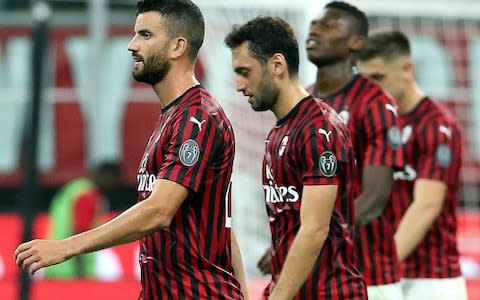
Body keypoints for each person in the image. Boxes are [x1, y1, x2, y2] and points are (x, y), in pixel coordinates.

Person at [15, 1, 248, 299]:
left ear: (178, 46)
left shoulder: (197, 119)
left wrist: (66, 246)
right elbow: (223, 228)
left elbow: (159, 211)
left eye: (146, 35)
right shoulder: (173, 118)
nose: (132, 45)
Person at [257, 2, 407, 299]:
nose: (315, 30)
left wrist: (306, 240)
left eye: (329, 26)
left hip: (368, 275)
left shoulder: (375, 102)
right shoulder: (302, 103)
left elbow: (375, 197)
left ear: (357, 43)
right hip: (307, 279)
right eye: (314, 25)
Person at [225, 16, 367, 300]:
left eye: (245, 72)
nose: (239, 85)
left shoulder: (319, 129)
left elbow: (314, 230)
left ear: (277, 65)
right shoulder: (279, 132)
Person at [358, 29, 468, 300]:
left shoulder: (438, 126)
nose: (371, 88)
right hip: (383, 274)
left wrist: (383, 266)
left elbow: (426, 206)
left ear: (406, 69)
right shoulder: (371, 124)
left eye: (378, 78)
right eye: (365, 80)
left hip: (431, 280)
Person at [45, 161, 121, 278]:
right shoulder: (88, 196)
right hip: (72, 271)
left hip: (56, 264)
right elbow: (79, 235)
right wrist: (81, 274)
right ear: (107, 176)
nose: (115, 185)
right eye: (115, 180)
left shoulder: (75, 188)